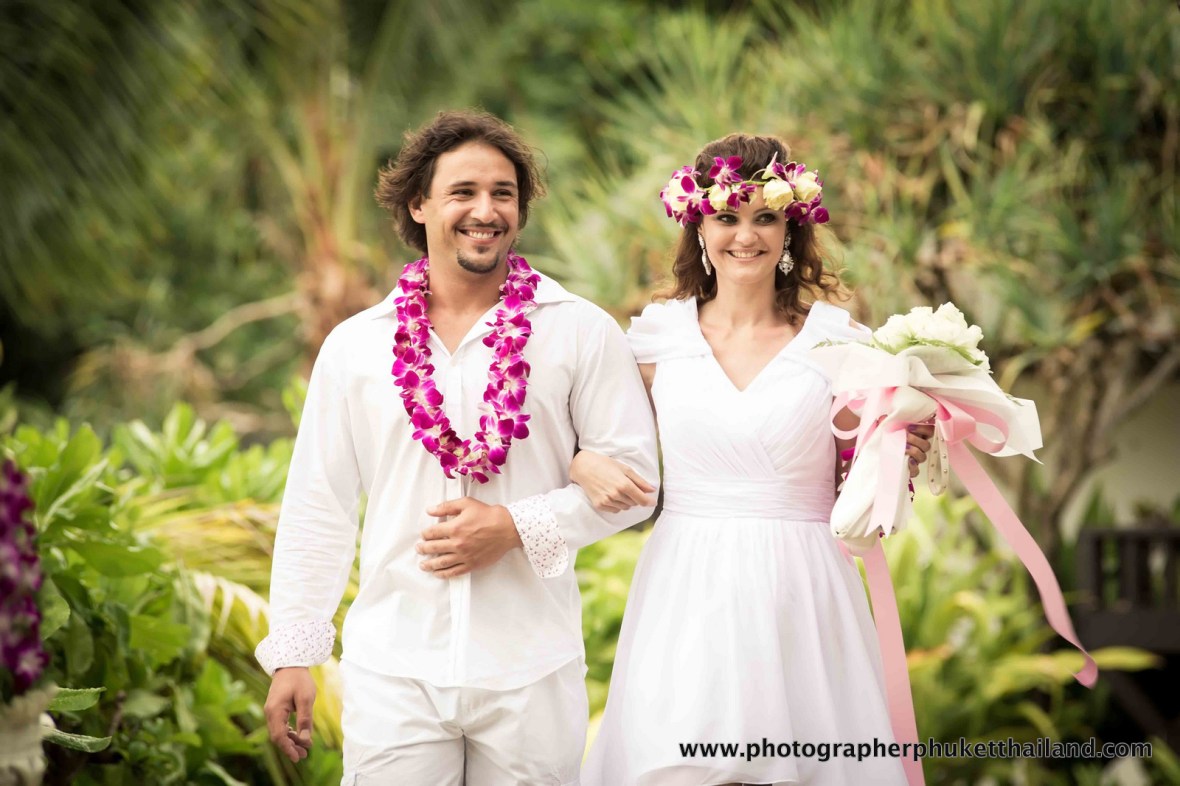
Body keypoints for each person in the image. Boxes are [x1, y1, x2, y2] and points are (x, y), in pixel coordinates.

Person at [256, 109, 659, 785]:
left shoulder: (581, 333)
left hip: (533, 669)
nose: (485, 210)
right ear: (419, 204)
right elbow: (318, 505)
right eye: (463, 192)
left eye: (503, 193)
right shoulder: (355, 347)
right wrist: (296, 652)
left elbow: (636, 484)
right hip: (394, 667)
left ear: (521, 210)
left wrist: (514, 526)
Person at [575, 133, 932, 785]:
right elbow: (585, 435)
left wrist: (897, 447)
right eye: (728, 216)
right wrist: (579, 464)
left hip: (804, 586)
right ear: (700, 227)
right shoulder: (655, 340)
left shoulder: (836, 341)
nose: (747, 235)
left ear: (792, 227)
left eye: (765, 216)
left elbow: (862, 469)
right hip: (686, 585)